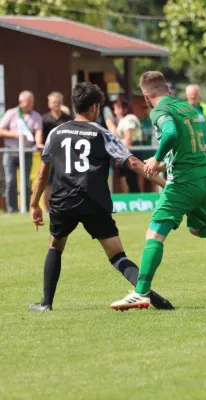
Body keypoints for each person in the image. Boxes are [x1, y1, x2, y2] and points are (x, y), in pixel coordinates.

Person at [110, 71, 206, 311]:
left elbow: (170, 134)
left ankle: (140, 292)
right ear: (167, 90)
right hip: (205, 176)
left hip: (183, 182)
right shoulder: (186, 108)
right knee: (197, 227)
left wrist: (157, 157)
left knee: (154, 234)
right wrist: (158, 162)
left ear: (146, 96)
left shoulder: (159, 111)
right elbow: (183, 145)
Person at [28, 82, 173, 311]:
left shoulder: (55, 132)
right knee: (117, 256)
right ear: (95, 107)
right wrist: (165, 184)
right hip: (93, 201)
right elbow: (133, 162)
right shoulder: (102, 133)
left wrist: (34, 204)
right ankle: (147, 293)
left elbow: (42, 173)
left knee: (55, 246)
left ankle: (46, 304)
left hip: (63, 201)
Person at [0, 90, 43, 213]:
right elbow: (1, 130)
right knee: (11, 181)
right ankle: (12, 209)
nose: (30, 104)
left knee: (25, 182)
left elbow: (38, 131)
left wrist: (38, 143)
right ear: (21, 101)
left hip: (27, 152)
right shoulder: (11, 113)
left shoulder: (35, 116)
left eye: (32, 101)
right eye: (28, 101)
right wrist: (15, 135)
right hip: (10, 151)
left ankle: (26, 208)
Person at [41, 92, 73, 211]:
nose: (56, 104)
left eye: (59, 102)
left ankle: (65, 207)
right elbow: (40, 136)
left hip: (65, 156)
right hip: (49, 156)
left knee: (66, 182)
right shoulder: (44, 119)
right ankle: (47, 210)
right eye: (54, 102)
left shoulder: (68, 119)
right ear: (49, 104)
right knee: (48, 183)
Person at [114, 100, 143, 193]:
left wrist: (121, 155)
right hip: (125, 152)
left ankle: (137, 200)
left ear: (124, 109)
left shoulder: (129, 118)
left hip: (131, 151)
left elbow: (128, 138)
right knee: (126, 177)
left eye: (117, 108)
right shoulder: (122, 121)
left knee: (132, 179)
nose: (114, 111)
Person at [186, 84, 206, 163]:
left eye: (195, 94)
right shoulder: (183, 109)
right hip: (193, 150)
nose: (193, 96)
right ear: (187, 95)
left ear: (198, 94)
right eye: (191, 94)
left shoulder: (205, 107)